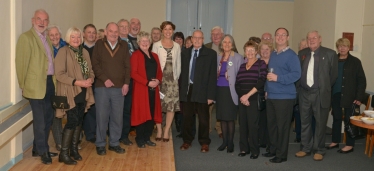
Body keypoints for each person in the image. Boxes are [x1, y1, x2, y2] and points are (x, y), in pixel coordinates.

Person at [15, 9, 57, 165]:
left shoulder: (46, 38)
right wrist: (23, 85)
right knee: (40, 121)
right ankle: (43, 151)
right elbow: (21, 64)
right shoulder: (26, 38)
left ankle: (37, 148)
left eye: (45, 20)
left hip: (49, 83)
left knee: (48, 119)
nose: (42, 22)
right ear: (33, 20)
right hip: (35, 86)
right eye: (39, 19)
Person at [54, 27, 95, 165]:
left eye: (78, 37)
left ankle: (73, 150)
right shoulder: (63, 52)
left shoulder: (84, 52)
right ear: (68, 38)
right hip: (70, 91)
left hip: (83, 92)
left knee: (79, 122)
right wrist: (78, 82)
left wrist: (90, 79)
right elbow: (59, 74)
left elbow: (90, 71)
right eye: (73, 37)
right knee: (71, 121)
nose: (76, 39)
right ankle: (63, 153)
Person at [295, 30, 338, 161]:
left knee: (320, 123)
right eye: (309, 38)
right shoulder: (302, 53)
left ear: (320, 39)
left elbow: (333, 76)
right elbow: (299, 73)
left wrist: (322, 87)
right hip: (304, 93)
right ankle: (305, 148)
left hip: (320, 93)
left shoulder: (330, 54)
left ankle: (319, 149)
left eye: (314, 38)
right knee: (305, 122)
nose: (311, 40)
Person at [92, 22, 130, 155]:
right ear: (106, 32)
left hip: (119, 88)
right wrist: (104, 78)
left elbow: (127, 66)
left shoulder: (124, 45)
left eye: (116, 31)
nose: (113, 34)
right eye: (111, 31)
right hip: (102, 87)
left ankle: (114, 143)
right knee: (102, 117)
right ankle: (101, 144)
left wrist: (126, 83)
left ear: (118, 33)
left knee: (117, 117)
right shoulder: (99, 44)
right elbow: (95, 64)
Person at [263, 27, 301, 163]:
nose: (280, 37)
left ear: (288, 37)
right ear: (275, 37)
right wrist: (267, 89)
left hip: (285, 97)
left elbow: (297, 74)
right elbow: (269, 74)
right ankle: (273, 149)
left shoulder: (292, 55)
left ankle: (281, 155)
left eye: (283, 35)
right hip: (271, 95)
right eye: (277, 35)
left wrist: (278, 78)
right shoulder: (273, 54)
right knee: (272, 126)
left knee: (282, 127)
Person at [325, 38, 366, 153]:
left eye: (344, 46)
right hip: (335, 95)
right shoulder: (333, 60)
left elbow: (361, 80)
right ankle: (335, 141)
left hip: (350, 96)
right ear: (337, 48)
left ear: (348, 48)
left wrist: (359, 97)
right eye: (340, 46)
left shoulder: (355, 62)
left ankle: (350, 144)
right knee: (336, 118)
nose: (342, 48)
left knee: (349, 120)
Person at [179, 30, 217, 153]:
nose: (197, 40)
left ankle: (204, 142)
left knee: (204, 118)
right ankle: (187, 140)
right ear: (191, 39)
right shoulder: (184, 53)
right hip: (188, 89)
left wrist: (211, 95)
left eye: (199, 38)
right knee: (187, 117)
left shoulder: (211, 54)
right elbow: (182, 74)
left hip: (203, 91)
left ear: (203, 39)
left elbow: (212, 76)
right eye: (195, 38)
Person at [131, 31, 163, 148]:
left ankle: (147, 137)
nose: (145, 43)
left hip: (153, 90)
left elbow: (159, 71)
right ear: (138, 42)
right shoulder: (135, 55)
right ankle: (140, 138)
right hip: (141, 90)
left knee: (152, 113)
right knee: (141, 114)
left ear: (150, 42)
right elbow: (133, 73)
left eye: (147, 41)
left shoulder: (155, 56)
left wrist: (158, 81)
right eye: (142, 41)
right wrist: (147, 82)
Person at [235, 40, 267, 158]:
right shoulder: (242, 66)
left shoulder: (261, 64)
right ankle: (244, 149)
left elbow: (261, 81)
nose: (249, 52)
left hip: (253, 99)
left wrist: (247, 96)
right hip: (242, 99)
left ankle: (254, 150)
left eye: (252, 50)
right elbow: (237, 83)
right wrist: (242, 97)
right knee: (242, 125)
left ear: (256, 52)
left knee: (253, 126)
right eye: (247, 50)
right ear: (244, 52)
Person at [152, 21, 181, 142]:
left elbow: (178, 65)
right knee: (158, 106)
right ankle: (159, 129)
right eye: (165, 29)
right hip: (159, 81)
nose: (168, 31)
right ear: (162, 31)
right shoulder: (156, 45)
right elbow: (153, 64)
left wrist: (175, 79)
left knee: (171, 107)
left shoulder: (177, 46)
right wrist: (156, 80)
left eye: (170, 29)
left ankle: (166, 130)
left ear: (173, 31)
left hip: (172, 82)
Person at [216, 34, 244, 153]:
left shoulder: (238, 57)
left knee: (230, 118)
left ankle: (231, 143)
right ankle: (224, 142)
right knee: (222, 117)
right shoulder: (218, 57)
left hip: (231, 90)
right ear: (221, 44)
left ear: (232, 44)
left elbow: (241, 75)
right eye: (224, 42)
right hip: (219, 89)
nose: (227, 44)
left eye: (229, 42)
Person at [47, 24, 67, 151]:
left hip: (69, 84)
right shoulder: (46, 49)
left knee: (71, 114)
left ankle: (71, 140)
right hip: (54, 85)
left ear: (60, 35)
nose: (54, 37)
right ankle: (60, 142)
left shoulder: (68, 47)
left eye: (57, 34)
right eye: (51, 35)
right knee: (57, 114)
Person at [117, 19, 135, 146]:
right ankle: (115, 136)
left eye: (126, 27)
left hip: (130, 81)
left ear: (129, 29)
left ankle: (124, 135)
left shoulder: (133, 43)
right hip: (117, 82)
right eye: (121, 26)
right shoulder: (113, 42)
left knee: (127, 110)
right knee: (116, 110)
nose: (124, 29)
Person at [204, 26, 224, 138]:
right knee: (208, 107)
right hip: (209, 82)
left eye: (218, 34)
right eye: (213, 34)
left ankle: (219, 127)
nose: (215, 36)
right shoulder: (206, 47)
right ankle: (207, 128)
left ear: (222, 35)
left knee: (221, 105)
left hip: (222, 82)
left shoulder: (227, 46)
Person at [82, 24, 98, 144]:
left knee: (94, 109)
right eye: (89, 32)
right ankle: (86, 132)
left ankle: (92, 132)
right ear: (84, 34)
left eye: (93, 32)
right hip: (81, 83)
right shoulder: (79, 48)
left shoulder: (100, 49)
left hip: (97, 83)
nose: (91, 34)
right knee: (84, 109)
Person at [257, 41, 273, 150]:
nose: (265, 51)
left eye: (267, 49)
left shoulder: (274, 62)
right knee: (261, 119)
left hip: (272, 93)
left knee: (271, 119)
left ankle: (270, 142)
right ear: (259, 51)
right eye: (263, 49)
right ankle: (261, 140)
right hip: (259, 93)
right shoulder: (256, 63)